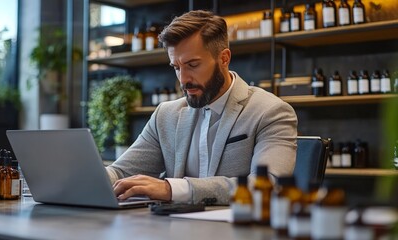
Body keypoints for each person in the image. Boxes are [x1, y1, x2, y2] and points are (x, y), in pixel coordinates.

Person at [107, 10, 297, 205]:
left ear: (224, 58)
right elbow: (121, 172)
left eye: (193, 65)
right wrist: (82, 178)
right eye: (176, 67)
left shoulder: (271, 111)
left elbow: (268, 186)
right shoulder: (165, 115)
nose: (183, 79)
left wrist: (172, 189)